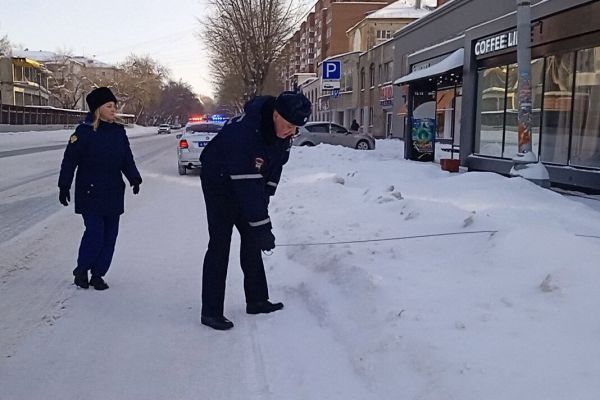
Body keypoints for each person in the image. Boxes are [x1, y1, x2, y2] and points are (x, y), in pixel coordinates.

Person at [199, 91, 312, 330]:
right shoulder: (245, 134)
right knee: (220, 243)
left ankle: (257, 300)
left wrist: (266, 201)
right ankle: (211, 311)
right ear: (275, 114)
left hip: (246, 178)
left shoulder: (282, 133)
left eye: (296, 128)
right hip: (218, 180)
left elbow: (274, 168)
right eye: (290, 125)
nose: (292, 132)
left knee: (251, 240)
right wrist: (263, 226)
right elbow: (247, 186)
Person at [58, 87, 142, 290]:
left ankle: (98, 274)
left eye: (114, 106)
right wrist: (64, 185)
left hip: (113, 191)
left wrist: (134, 178)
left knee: (110, 236)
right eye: (109, 106)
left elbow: (126, 158)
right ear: (97, 109)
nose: (114, 109)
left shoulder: (118, 132)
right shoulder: (84, 133)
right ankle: (82, 270)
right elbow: (70, 161)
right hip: (90, 191)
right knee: (95, 233)